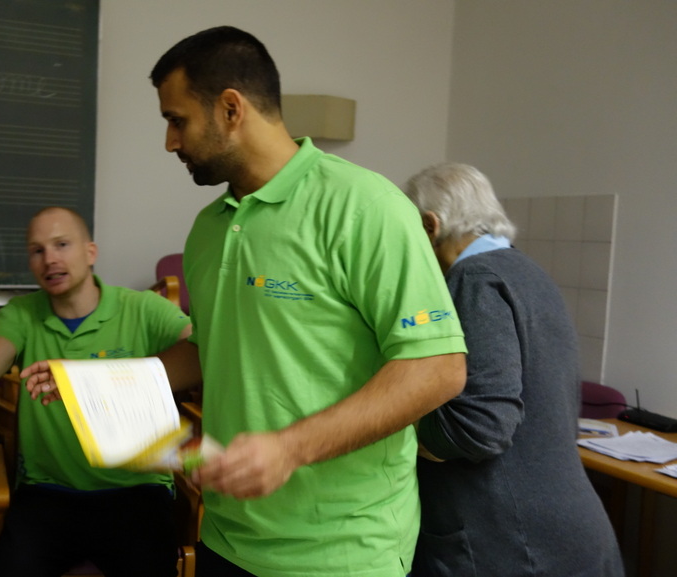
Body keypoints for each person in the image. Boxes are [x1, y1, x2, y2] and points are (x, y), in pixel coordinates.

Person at [149, 25, 470, 577]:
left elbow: (437, 368)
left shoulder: (366, 206)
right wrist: (101, 386)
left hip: (343, 551)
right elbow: (211, 347)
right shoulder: (207, 229)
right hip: (226, 536)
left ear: (231, 109)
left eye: (177, 120)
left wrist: (289, 449)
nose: (170, 142)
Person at [0, 201, 192, 577]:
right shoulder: (22, 313)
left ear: (90, 252)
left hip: (136, 490)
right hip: (47, 493)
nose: (49, 259)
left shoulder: (143, 308)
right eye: (37, 250)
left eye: (62, 245)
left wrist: (95, 379)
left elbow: (202, 354)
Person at [403, 162, 624, 576]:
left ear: (430, 226)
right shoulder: (527, 271)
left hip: (516, 543)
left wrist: (394, 417)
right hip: (565, 530)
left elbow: (479, 428)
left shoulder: (474, 279)